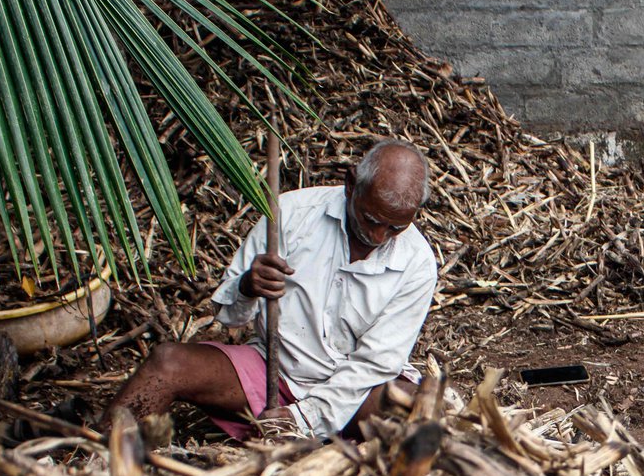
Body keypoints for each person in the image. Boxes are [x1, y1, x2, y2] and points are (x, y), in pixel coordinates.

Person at [108, 139, 437, 441]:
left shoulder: (417, 262)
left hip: (355, 393)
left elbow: (374, 365)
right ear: (351, 184)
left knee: (413, 413)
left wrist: (302, 418)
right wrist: (248, 287)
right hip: (273, 371)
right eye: (370, 219)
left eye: (396, 227)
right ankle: (93, 454)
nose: (378, 236)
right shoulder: (292, 213)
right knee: (167, 364)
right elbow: (229, 316)